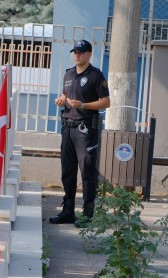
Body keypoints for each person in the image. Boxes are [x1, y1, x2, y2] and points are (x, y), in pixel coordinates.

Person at [49, 39, 110, 227]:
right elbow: (66, 94)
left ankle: (88, 213)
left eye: (81, 52)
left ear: (89, 54)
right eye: (75, 51)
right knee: (67, 170)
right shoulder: (68, 74)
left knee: (87, 171)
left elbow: (106, 102)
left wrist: (83, 105)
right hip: (68, 127)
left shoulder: (95, 75)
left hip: (85, 129)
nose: (77, 55)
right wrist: (62, 99)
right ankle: (68, 211)